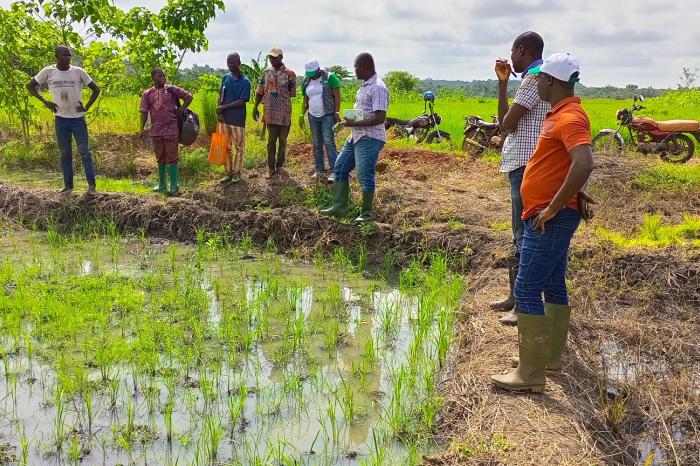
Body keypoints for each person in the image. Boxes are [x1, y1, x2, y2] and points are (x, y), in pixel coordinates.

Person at [490, 53, 595, 393]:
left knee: (525, 288)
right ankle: (547, 358)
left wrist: (553, 207)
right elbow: (566, 164)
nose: (535, 84)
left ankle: (530, 374)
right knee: (552, 282)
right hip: (551, 212)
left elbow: (584, 162)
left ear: (549, 80)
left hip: (548, 218)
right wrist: (572, 193)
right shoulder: (560, 113)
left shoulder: (570, 116)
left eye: (538, 80)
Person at [490, 32, 550, 326]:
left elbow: (506, 124)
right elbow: (508, 123)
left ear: (522, 50)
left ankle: (524, 303)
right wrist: (504, 83)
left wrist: (503, 87)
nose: (511, 56)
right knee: (522, 232)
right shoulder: (541, 78)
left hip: (526, 166)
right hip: (528, 165)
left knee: (524, 234)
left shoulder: (533, 79)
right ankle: (515, 297)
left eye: (513, 50)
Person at [321, 53, 389, 223]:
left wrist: (353, 123)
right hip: (356, 136)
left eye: (356, 67)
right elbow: (365, 112)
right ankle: (339, 207)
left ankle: (366, 214)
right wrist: (349, 119)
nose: (355, 71)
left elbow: (380, 118)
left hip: (369, 137)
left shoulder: (378, 87)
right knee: (340, 168)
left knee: (364, 175)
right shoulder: (364, 87)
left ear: (365, 67)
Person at [27, 45, 101, 195]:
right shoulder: (48, 71)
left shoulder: (78, 72)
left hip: (78, 120)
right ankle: (68, 187)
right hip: (61, 119)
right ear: (56, 57)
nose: (67, 57)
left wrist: (86, 107)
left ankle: (91, 187)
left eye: (69, 55)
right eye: (64, 55)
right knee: (65, 154)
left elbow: (96, 89)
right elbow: (30, 85)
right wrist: (45, 101)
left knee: (85, 152)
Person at [138, 68, 193, 196]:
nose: (162, 78)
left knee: (172, 156)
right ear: (153, 78)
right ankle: (162, 184)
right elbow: (144, 112)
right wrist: (141, 129)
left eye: (163, 75)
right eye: (159, 76)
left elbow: (189, 96)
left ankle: (174, 185)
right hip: (156, 130)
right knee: (160, 157)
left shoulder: (171, 89)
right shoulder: (147, 94)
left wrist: (182, 108)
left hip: (171, 128)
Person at [252, 48, 297, 179]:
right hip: (270, 113)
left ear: (281, 57)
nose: (272, 60)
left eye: (274, 57)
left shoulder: (290, 74)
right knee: (271, 141)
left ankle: (280, 165)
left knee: (282, 141)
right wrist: (255, 107)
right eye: (270, 57)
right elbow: (260, 91)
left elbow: (292, 93)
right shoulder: (266, 72)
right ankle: (271, 167)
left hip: (284, 114)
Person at [302, 59, 341, 182]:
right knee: (316, 143)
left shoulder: (329, 77)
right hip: (312, 116)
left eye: (313, 73)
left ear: (318, 69)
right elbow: (305, 99)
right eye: (309, 74)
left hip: (327, 115)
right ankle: (319, 169)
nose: (311, 76)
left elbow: (337, 96)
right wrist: (301, 114)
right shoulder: (306, 81)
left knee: (329, 142)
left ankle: (335, 171)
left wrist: (337, 112)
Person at [217, 53, 251, 184]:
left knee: (239, 148)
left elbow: (242, 101)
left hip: (238, 120)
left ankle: (237, 173)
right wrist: (219, 112)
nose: (230, 65)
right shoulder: (225, 78)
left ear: (239, 63)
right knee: (227, 147)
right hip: (225, 119)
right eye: (228, 62)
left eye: (232, 62)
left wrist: (223, 107)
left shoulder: (245, 82)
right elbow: (221, 95)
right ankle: (228, 173)